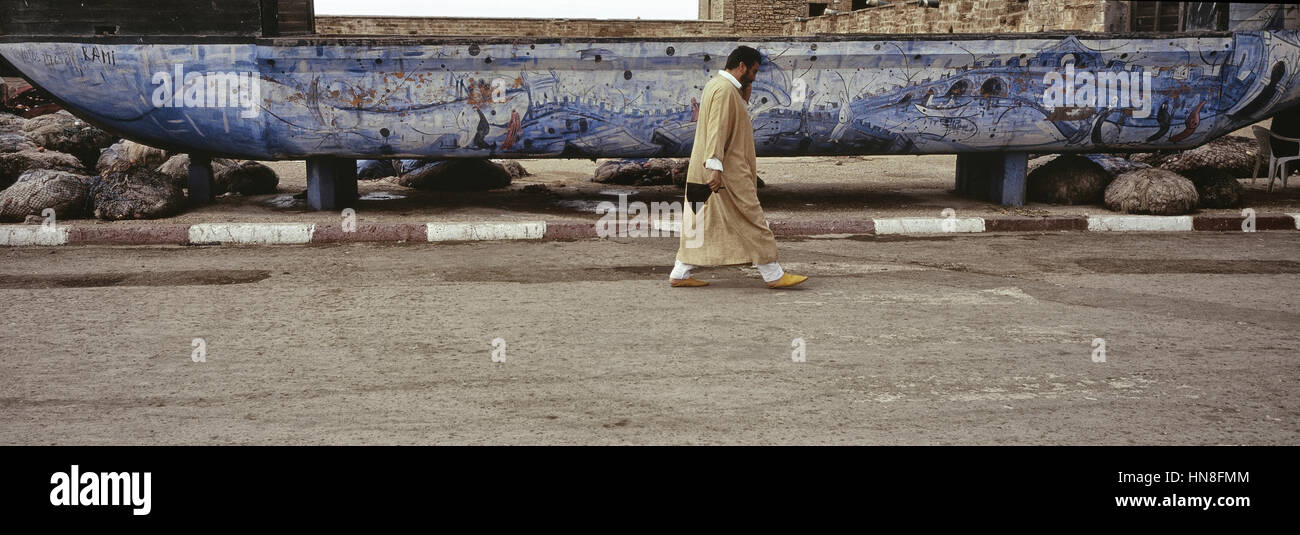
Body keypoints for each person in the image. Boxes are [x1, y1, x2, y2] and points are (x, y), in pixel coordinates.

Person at [669, 45, 808, 289]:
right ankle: (773, 273)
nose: (755, 76)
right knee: (752, 217)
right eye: (753, 71)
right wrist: (715, 167)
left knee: (701, 221)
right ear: (741, 65)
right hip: (727, 171)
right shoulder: (724, 91)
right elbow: (717, 129)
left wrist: (745, 94)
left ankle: (680, 273)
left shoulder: (717, 86)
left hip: (711, 169)